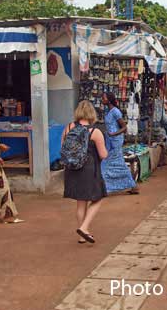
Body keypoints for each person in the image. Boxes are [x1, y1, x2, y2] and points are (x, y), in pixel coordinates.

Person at [63, 100, 109, 244]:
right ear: (92, 114)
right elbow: (103, 155)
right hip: (89, 170)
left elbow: (63, 147)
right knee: (98, 198)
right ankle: (84, 227)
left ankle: (82, 234)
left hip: (72, 169)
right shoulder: (95, 132)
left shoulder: (69, 127)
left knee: (80, 202)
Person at [101, 92, 139, 194]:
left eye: (104, 98)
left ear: (109, 100)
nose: (102, 100)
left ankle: (105, 188)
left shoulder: (115, 112)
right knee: (117, 164)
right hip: (110, 141)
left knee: (107, 164)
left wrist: (113, 134)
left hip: (115, 141)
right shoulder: (109, 112)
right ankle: (132, 186)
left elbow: (124, 127)